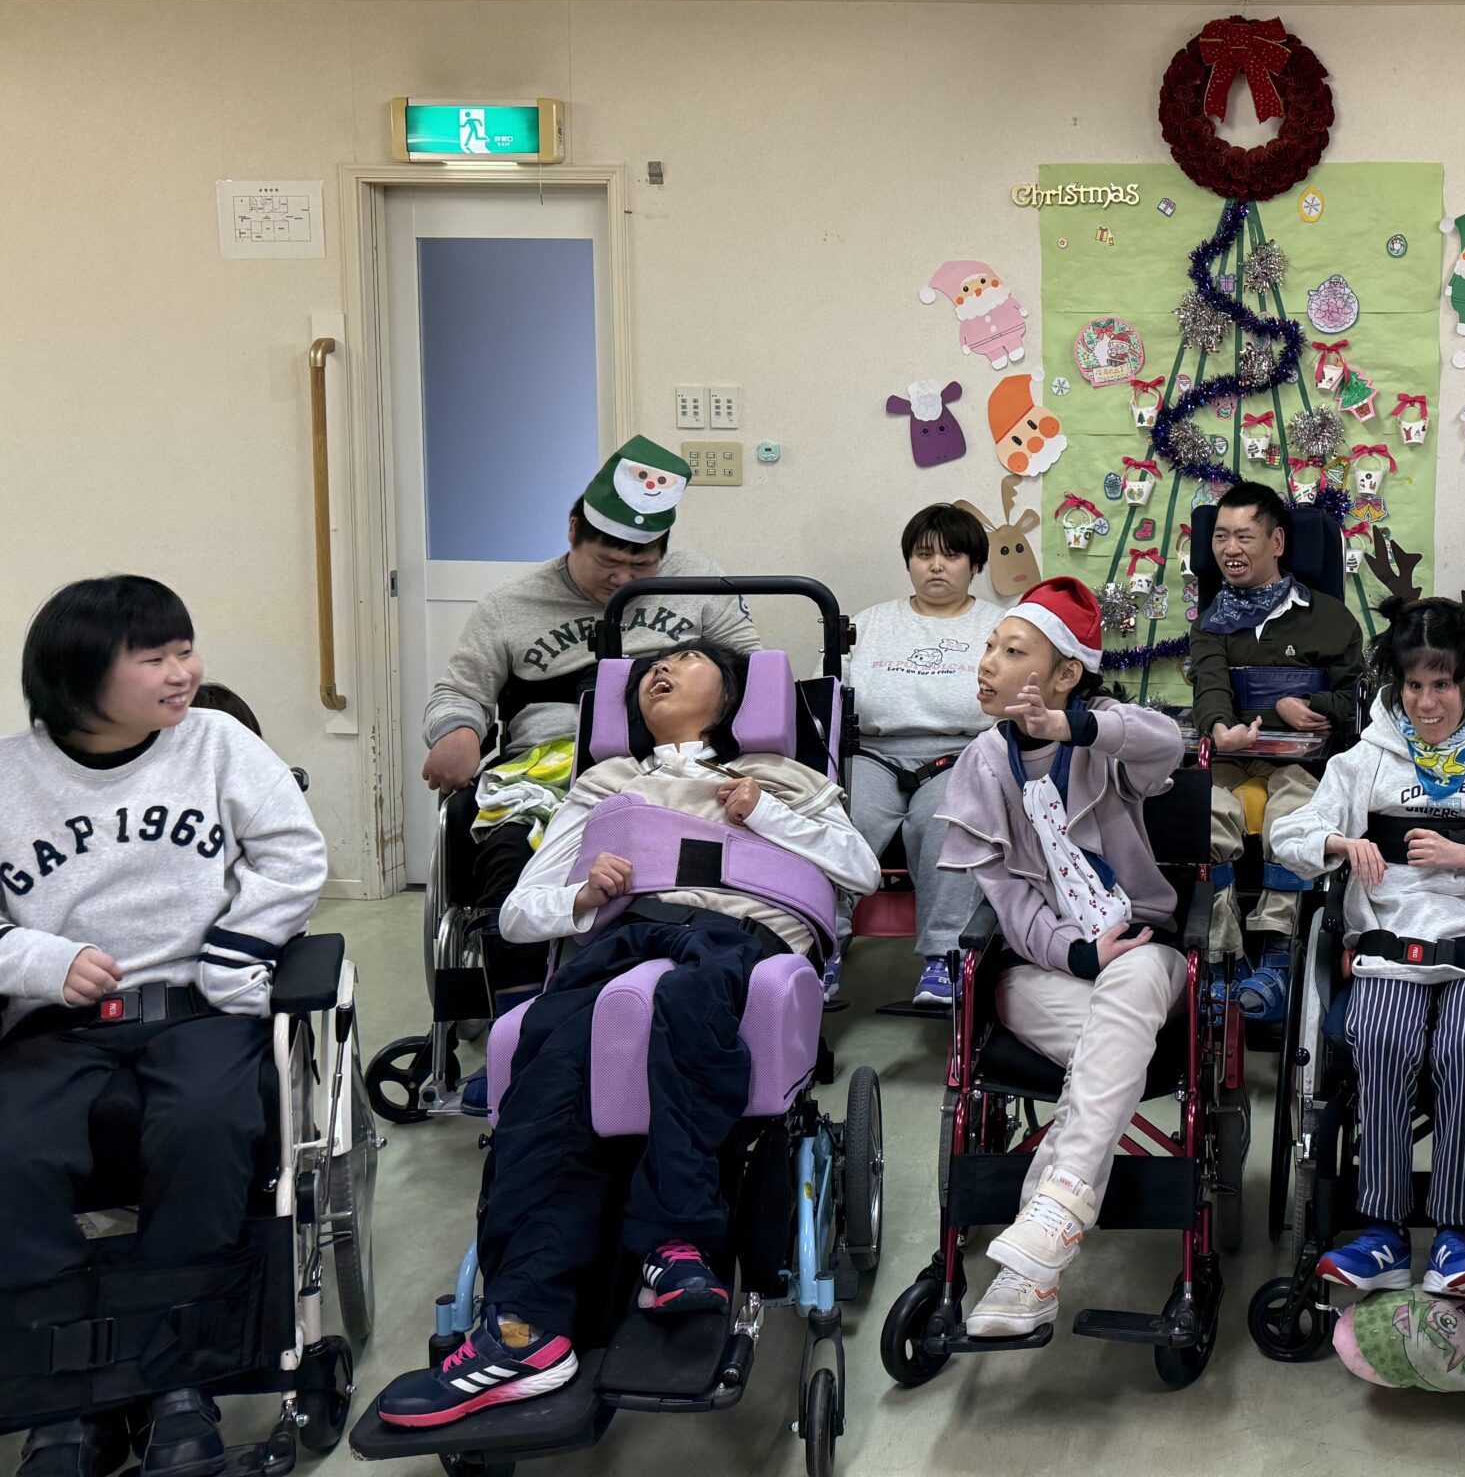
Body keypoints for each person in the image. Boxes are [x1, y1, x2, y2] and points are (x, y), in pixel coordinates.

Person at [376, 642, 878, 1428]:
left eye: (686, 658)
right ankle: (524, 1327)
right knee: (549, 1050)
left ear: (733, 694)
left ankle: (677, 1248)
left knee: (689, 1000)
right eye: (649, 668)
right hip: (624, 936)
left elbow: (861, 873)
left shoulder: (787, 779)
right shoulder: (605, 786)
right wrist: (580, 897)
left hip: (736, 935)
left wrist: (764, 814)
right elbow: (519, 913)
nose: (659, 671)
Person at [0, 577, 327, 1477]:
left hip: (195, 1008)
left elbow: (294, 855)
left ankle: (177, 1378)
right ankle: (62, 1394)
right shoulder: (9, 776)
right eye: (156, 658)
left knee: (206, 1125)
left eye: (185, 651)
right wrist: (38, 959)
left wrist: (235, 948)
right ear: (78, 676)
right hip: (57, 1022)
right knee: (13, 1150)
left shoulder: (217, 744)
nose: (185, 672)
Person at [417, 436, 757, 1098]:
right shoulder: (509, 606)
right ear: (573, 530)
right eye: (608, 561)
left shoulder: (698, 582)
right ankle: (520, 1034)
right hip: (548, 766)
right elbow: (459, 691)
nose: (622, 578)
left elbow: (752, 669)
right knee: (510, 852)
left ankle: (682, 1011)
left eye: (641, 564)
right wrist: (457, 730)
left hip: (668, 762)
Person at [1269, 599, 1465, 1299]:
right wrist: (1337, 842)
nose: (1426, 701)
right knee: (1380, 1036)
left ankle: (1453, 1237)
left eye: (1441, 684)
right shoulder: (1368, 757)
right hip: (1393, 938)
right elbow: (1288, 834)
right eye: (1413, 685)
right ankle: (1382, 1232)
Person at [931, 579, 1188, 1339]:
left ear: (1067, 673)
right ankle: (1045, 1242)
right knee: (1111, 1047)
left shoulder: (1104, 737)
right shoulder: (983, 762)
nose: (988, 663)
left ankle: (1038, 1255)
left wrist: (1075, 727)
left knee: (1129, 983)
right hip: (1043, 973)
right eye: (989, 647)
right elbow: (1007, 900)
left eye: (1013, 652)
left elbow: (1168, 744)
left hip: (1142, 951)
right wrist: (1075, 954)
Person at [1187, 481, 1365, 1017]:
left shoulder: (1330, 618)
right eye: (1221, 537)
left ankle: (1277, 951)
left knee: (1294, 813)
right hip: (1231, 756)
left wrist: (1305, 703)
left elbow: (1355, 699)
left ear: (1278, 542)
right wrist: (1221, 728)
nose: (1230, 549)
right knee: (1204, 811)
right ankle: (1221, 953)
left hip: (1302, 762)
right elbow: (1210, 686)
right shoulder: (1212, 619)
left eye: (1244, 536)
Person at [846, 503, 1008, 1009]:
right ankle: (817, 946)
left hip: (961, 753)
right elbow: (827, 700)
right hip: (872, 753)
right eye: (924, 555)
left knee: (947, 820)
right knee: (838, 817)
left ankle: (945, 958)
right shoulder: (867, 624)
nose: (936, 566)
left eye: (951, 555)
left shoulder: (1002, 627)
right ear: (909, 562)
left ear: (975, 565)